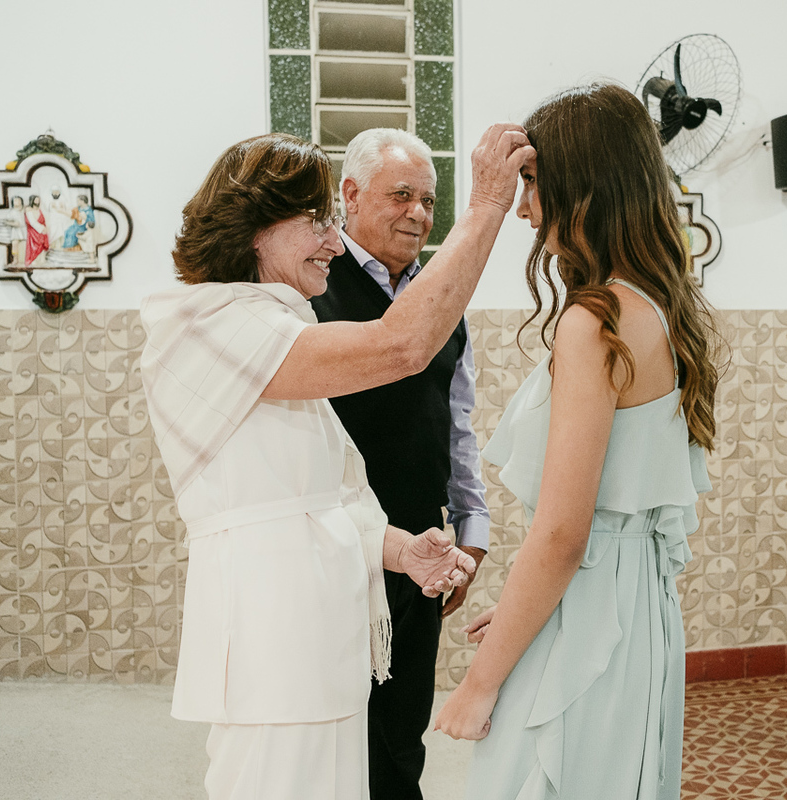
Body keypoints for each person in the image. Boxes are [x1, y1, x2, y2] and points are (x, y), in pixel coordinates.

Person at [139, 126, 532, 799]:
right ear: (256, 229)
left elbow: (315, 498)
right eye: (316, 222)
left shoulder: (271, 323)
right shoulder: (211, 323)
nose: (332, 240)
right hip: (272, 635)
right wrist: (488, 205)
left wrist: (403, 550)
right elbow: (402, 345)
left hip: (325, 626)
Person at [434, 83, 724, 800]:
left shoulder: (593, 321)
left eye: (533, 184)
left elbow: (564, 532)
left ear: (582, 185)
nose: (526, 207)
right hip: (635, 608)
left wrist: (480, 682)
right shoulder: (659, 307)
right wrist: (539, 604)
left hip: (594, 609)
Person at [309, 128, 490, 800]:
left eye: (429, 200)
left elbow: (458, 421)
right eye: (402, 195)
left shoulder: (444, 300)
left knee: (399, 726)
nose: (418, 213)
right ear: (351, 195)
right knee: (331, 723)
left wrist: (473, 522)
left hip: (422, 536)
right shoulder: (310, 290)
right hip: (332, 544)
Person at [24, 195, 47, 266]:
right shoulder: (28, 209)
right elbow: (32, 222)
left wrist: (44, 228)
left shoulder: (39, 209)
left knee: (42, 243)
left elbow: (42, 220)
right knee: (34, 244)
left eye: (38, 200)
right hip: (33, 231)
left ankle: (42, 259)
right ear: (32, 200)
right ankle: (34, 259)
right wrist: (42, 228)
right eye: (36, 200)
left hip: (41, 230)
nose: (37, 201)